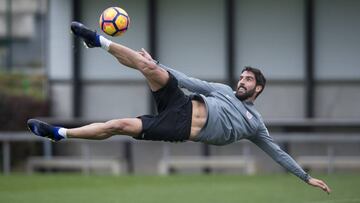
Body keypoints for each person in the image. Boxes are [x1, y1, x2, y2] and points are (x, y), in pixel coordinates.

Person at [27, 21, 331, 194]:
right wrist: (157, 65)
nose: (241, 81)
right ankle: (98, 40)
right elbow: (187, 80)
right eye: (241, 76)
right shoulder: (223, 90)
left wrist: (305, 177)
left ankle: (59, 133)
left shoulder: (254, 124)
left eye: (248, 79)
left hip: (179, 127)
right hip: (182, 103)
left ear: (258, 88)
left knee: (118, 125)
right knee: (147, 65)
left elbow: (276, 152)